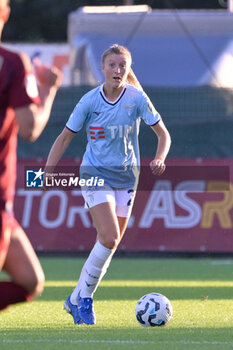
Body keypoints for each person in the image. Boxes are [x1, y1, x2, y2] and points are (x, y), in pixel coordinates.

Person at [44, 44, 171, 325]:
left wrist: (160, 157)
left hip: (127, 179)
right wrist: (48, 171)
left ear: (129, 69)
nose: (117, 70)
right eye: (112, 65)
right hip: (95, 174)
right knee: (110, 237)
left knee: (108, 244)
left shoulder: (136, 98)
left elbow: (163, 134)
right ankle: (85, 301)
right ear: (102, 69)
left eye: (123, 66)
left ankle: (75, 298)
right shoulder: (89, 101)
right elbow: (65, 137)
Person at [0, 0, 62, 311]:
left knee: (29, 279)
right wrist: (47, 90)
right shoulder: (11, 63)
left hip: (3, 206)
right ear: (6, 14)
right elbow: (30, 129)